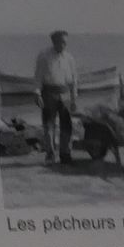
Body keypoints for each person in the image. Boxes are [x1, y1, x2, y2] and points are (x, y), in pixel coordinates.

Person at [33, 28, 79, 164]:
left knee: (67, 125)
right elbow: (38, 77)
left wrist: (74, 98)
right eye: (61, 42)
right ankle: (50, 154)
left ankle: (65, 154)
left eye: (65, 43)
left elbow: (74, 79)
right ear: (54, 42)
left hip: (65, 94)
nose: (64, 45)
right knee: (49, 125)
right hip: (49, 93)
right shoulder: (44, 56)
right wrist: (37, 94)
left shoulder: (69, 58)